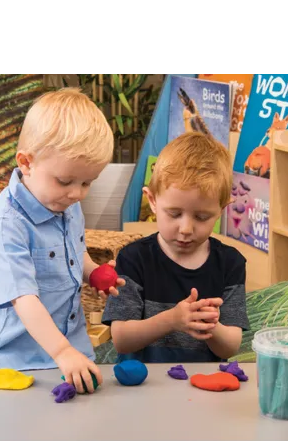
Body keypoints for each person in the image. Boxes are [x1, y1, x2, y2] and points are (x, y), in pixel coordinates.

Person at [0, 88, 124, 394]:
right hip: (15, 359)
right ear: (26, 163)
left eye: (87, 182)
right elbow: (23, 299)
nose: (77, 193)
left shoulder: (66, 204)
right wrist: (61, 351)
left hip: (70, 347)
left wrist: (92, 272)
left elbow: (74, 252)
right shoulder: (6, 226)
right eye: (65, 181)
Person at [101, 131, 250, 363]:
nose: (186, 229)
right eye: (174, 214)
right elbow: (121, 339)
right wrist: (172, 320)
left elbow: (230, 348)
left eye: (202, 217)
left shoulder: (230, 263)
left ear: (221, 210)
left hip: (202, 382)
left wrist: (208, 323)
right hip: (143, 381)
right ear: (152, 201)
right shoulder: (133, 258)